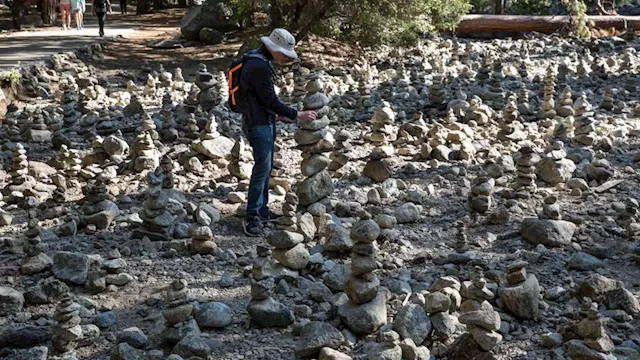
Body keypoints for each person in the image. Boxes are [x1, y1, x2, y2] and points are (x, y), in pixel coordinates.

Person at [239, 28, 317, 237]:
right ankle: (253, 215)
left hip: (262, 119)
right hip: (258, 123)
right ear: (273, 48)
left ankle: (262, 210)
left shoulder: (260, 61)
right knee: (262, 166)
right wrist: (296, 114)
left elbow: (261, 98)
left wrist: (279, 114)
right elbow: (269, 100)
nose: (285, 58)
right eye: (284, 53)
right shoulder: (259, 66)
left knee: (266, 166)